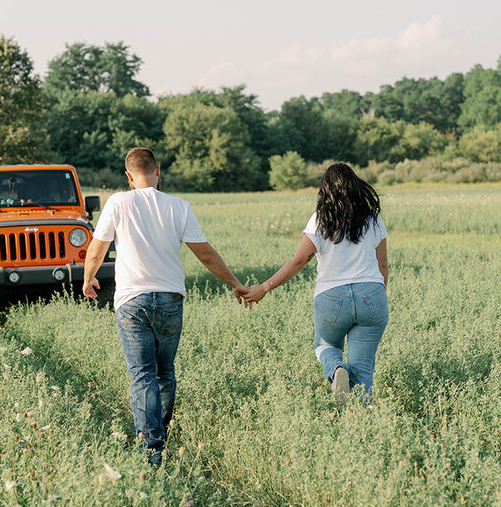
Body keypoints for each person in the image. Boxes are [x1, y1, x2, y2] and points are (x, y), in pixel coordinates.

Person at [83, 147, 248, 465]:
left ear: (129, 177)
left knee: (142, 375)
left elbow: (97, 248)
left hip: (132, 302)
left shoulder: (118, 202)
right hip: (171, 299)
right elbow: (207, 254)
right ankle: (160, 432)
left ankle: (151, 448)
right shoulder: (179, 206)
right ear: (158, 171)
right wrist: (235, 284)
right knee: (164, 373)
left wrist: (89, 279)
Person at [242, 163, 389, 405]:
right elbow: (382, 267)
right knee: (363, 371)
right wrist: (376, 298)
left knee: (325, 346)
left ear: (325, 190)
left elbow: (299, 261)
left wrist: (265, 287)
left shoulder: (321, 219)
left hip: (332, 297)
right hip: (371, 295)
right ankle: (361, 429)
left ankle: (335, 369)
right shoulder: (373, 220)